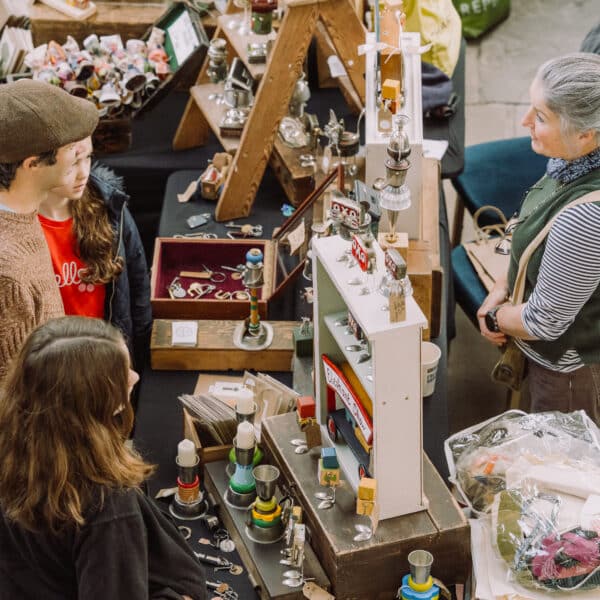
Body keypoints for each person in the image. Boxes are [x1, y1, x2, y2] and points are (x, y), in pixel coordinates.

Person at [0, 316, 206, 600]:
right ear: (92, 400)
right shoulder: (106, 505)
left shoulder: (14, 453)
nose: (135, 377)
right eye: (123, 373)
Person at [477, 53, 600, 422]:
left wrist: (496, 318)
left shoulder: (585, 217)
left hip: (568, 373)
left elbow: (543, 323)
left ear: (585, 133)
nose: (525, 121)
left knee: (560, 467)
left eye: (541, 117)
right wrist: (503, 284)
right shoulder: (573, 160)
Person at [0, 79, 99, 383]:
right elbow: (19, 394)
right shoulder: (8, 271)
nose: (79, 155)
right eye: (70, 149)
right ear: (32, 164)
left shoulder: (24, 213)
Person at [38, 136, 152, 372]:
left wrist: (139, 360)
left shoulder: (109, 209)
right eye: (72, 163)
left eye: (88, 158)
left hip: (106, 361)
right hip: (49, 372)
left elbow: (139, 287)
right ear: (38, 162)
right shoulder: (18, 225)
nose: (83, 173)